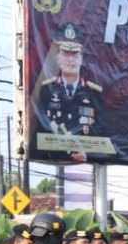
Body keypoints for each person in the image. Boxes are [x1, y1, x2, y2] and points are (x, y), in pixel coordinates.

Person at [35, 23, 105, 163]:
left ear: (81, 58)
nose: (71, 59)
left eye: (75, 54)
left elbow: (105, 135)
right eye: (66, 53)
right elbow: (38, 135)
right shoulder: (46, 90)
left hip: (88, 165)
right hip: (53, 164)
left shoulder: (94, 93)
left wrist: (89, 156)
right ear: (58, 57)